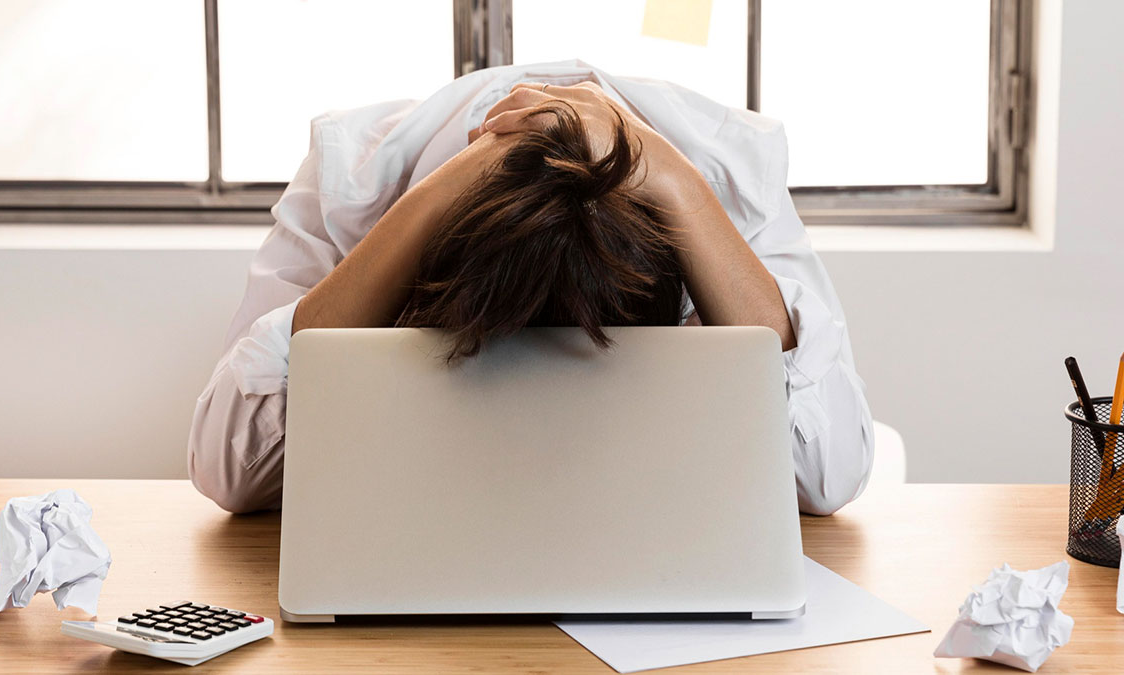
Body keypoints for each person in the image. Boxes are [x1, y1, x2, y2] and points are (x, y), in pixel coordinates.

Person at [188, 60, 874, 516]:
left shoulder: (731, 171)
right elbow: (230, 469)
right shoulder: (352, 170)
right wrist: (433, 200)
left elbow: (827, 469)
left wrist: (673, 181)